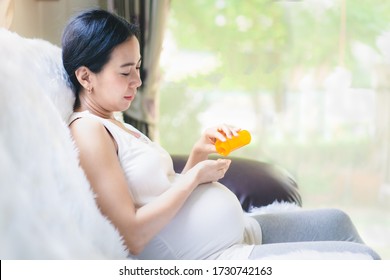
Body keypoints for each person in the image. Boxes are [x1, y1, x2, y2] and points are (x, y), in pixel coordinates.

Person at [62, 8, 381, 260]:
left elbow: (162, 193)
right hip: (214, 257)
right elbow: (131, 233)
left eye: (138, 68)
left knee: (336, 221)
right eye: (125, 71)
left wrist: (199, 153)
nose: (137, 81)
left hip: (237, 233)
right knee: (361, 259)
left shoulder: (116, 122)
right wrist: (194, 177)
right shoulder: (89, 131)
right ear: (86, 76)